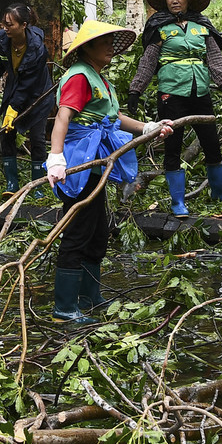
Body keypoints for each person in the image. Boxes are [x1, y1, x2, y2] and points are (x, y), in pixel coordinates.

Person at [47, 20, 173, 323]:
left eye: (111, 43)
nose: (109, 48)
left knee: (98, 231)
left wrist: (148, 127)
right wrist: (56, 157)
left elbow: (113, 117)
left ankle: (90, 296)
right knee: (78, 231)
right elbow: (63, 117)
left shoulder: (98, 78)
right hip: (81, 160)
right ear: (86, 48)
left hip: (99, 159)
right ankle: (64, 308)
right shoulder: (79, 77)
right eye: (103, 42)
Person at [126, 0, 222, 217]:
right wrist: (136, 90)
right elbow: (148, 62)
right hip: (171, 94)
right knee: (173, 146)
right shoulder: (159, 27)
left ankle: (220, 192)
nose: (175, 1)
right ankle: (178, 202)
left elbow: (214, 56)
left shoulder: (201, 26)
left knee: (211, 143)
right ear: (164, 1)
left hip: (201, 92)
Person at [0, 3, 54, 199]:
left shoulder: (37, 48)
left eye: (10, 24)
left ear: (24, 25)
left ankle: (37, 185)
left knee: (38, 139)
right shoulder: (2, 39)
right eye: (3, 23)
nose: (5, 28)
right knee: (7, 133)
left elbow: (28, 84)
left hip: (38, 95)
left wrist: (13, 108)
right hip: (15, 90)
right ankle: (11, 182)